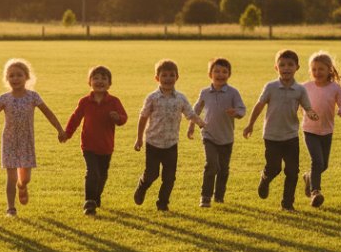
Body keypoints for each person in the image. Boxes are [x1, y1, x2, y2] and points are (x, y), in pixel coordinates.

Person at [0, 59, 66, 217]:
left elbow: (48, 113)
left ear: (27, 77)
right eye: (11, 75)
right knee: (11, 177)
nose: (15, 78)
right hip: (9, 142)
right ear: (7, 78)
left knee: (25, 179)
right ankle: (11, 208)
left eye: (19, 75)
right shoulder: (3, 98)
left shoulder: (33, 97)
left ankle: (22, 186)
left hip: (26, 142)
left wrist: (60, 129)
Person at [243, 49, 318, 211]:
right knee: (274, 168)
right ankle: (265, 178)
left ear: (297, 67)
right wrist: (250, 124)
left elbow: (307, 107)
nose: (286, 68)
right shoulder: (270, 87)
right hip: (271, 136)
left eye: (290, 65)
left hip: (291, 136)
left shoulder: (300, 89)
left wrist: (311, 113)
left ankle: (287, 204)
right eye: (282, 65)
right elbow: (259, 105)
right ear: (276, 68)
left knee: (292, 171)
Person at [132, 59, 205, 212]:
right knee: (152, 174)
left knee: (169, 177)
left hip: (171, 144)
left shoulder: (180, 98)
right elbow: (143, 117)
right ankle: (142, 186)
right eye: (164, 75)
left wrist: (200, 123)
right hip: (153, 143)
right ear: (157, 78)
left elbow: (190, 113)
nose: (168, 78)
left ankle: (163, 203)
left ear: (177, 77)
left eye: (172, 75)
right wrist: (139, 138)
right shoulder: (152, 98)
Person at [60, 65, 128, 216]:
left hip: (106, 146)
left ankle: (96, 197)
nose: (100, 81)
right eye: (95, 78)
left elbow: (124, 118)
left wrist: (118, 118)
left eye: (104, 78)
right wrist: (67, 134)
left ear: (109, 84)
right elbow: (75, 118)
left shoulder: (114, 101)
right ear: (89, 82)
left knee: (102, 174)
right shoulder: (85, 102)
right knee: (92, 172)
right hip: (88, 145)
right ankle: (89, 202)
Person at [186, 57, 246, 206]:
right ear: (210, 74)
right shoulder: (205, 92)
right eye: (217, 71)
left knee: (223, 169)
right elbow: (196, 109)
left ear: (229, 74)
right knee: (211, 164)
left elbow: (242, 109)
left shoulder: (233, 93)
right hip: (209, 135)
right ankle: (205, 196)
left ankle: (219, 195)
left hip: (226, 137)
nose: (220, 74)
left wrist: (236, 112)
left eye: (224, 72)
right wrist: (192, 125)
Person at [301, 51, 341, 208]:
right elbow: (295, 101)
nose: (317, 72)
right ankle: (316, 192)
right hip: (309, 130)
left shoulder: (335, 88)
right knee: (317, 161)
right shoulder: (305, 87)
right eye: (314, 69)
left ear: (329, 70)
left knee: (324, 165)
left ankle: (309, 177)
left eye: (321, 69)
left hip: (327, 131)